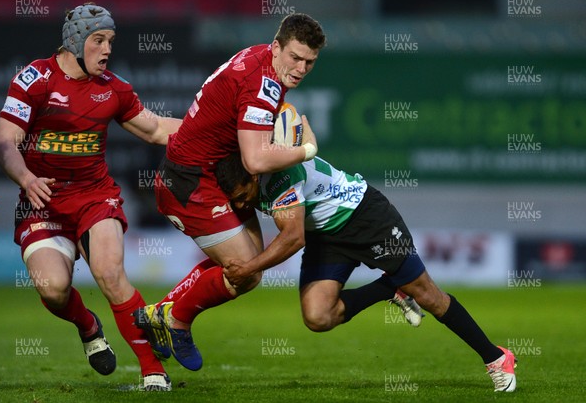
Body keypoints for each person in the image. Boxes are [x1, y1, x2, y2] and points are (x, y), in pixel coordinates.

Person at [0, 3, 181, 391]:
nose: (107, 49)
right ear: (76, 41)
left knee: (111, 274)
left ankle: (153, 371)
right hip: (41, 203)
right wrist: (27, 179)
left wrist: (215, 130)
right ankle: (88, 326)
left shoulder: (113, 88)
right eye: (99, 40)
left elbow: (158, 129)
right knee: (53, 289)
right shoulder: (34, 80)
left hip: (94, 197)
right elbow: (4, 144)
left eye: (111, 40)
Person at [212, 152, 518, 393]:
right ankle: (392, 288)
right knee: (318, 317)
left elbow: (292, 238)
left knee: (429, 296)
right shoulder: (245, 170)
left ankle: (496, 358)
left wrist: (249, 268)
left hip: (366, 219)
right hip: (326, 235)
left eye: (242, 194)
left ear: (254, 175)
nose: (241, 203)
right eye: (235, 200)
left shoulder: (280, 178)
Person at [134, 13, 325, 371]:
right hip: (188, 182)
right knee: (249, 271)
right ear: (277, 47)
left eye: (309, 62)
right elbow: (254, 160)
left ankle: (159, 313)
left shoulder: (258, 58)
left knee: (249, 260)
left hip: (212, 175)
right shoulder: (263, 84)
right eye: (295, 58)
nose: (300, 68)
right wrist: (307, 150)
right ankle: (178, 320)